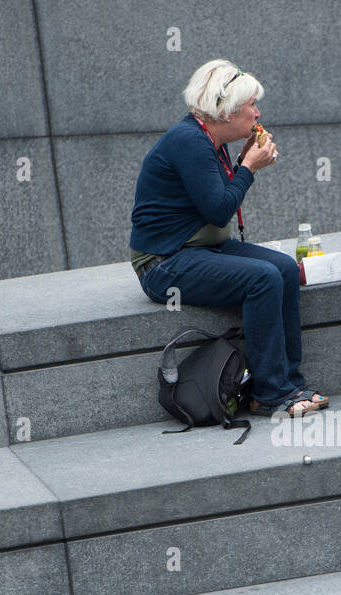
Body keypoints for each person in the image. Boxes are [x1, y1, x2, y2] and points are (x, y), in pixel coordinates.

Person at [130, 59, 328, 417]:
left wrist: (240, 164)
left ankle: (289, 383)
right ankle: (270, 394)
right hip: (164, 264)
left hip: (201, 248)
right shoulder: (189, 141)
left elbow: (214, 200)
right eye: (251, 105)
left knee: (283, 267)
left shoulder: (211, 140)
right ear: (226, 112)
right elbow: (219, 210)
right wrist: (248, 168)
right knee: (262, 277)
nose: (258, 111)